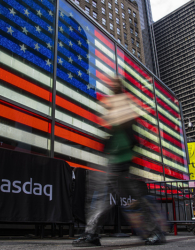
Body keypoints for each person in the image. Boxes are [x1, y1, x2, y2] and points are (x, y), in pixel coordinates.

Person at [72, 77, 167, 247]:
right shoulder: (115, 103)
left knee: (133, 197)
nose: (111, 85)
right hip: (113, 159)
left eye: (115, 83)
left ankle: (155, 231)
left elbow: (129, 130)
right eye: (111, 83)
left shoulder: (123, 102)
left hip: (123, 159)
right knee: (102, 197)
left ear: (121, 86)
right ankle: (92, 233)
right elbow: (112, 129)